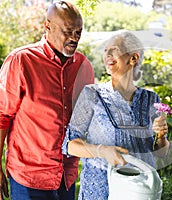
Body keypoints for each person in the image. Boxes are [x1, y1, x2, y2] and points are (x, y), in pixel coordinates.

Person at [0, 1, 94, 200]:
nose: (74, 39)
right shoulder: (21, 61)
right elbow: (2, 116)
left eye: (78, 32)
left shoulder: (84, 67)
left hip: (66, 176)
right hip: (29, 177)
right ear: (47, 25)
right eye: (68, 32)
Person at [62, 31, 170, 200]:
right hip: (101, 190)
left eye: (113, 50)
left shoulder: (151, 99)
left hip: (139, 191)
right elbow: (69, 145)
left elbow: (160, 153)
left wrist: (161, 136)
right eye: (105, 51)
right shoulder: (92, 94)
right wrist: (101, 150)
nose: (107, 55)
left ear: (133, 58)